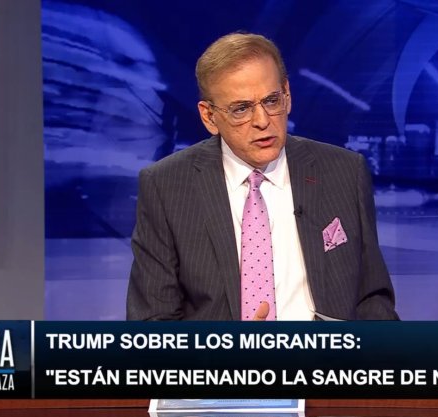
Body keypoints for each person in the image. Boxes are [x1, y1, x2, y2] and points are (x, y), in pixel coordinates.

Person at [127, 32, 397, 321]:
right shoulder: (166, 186)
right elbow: (153, 324)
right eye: (241, 109)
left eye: (271, 101)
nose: (262, 121)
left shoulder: (344, 171)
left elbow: (372, 299)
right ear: (209, 117)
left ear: (287, 95)